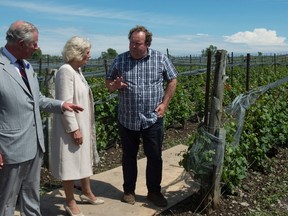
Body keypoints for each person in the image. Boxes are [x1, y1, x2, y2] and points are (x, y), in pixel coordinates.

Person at [0, 20, 84, 216]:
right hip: (10, 149)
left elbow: (36, 99)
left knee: (31, 195)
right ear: (21, 44)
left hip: (34, 144)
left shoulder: (27, 67)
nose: (37, 47)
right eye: (34, 43)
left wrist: (61, 105)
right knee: (6, 200)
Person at [105, 25, 178, 207]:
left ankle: (154, 192)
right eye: (131, 43)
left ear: (147, 43)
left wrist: (164, 104)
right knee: (129, 156)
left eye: (137, 43)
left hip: (152, 118)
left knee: (154, 156)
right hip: (127, 118)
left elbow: (173, 79)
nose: (133, 47)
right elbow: (108, 83)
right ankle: (129, 191)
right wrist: (116, 85)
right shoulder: (120, 60)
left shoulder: (160, 58)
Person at [50, 36, 104, 216]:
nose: (89, 56)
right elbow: (65, 104)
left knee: (83, 160)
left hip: (82, 124)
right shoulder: (65, 71)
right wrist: (74, 129)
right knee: (70, 164)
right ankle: (70, 202)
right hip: (71, 128)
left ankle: (87, 193)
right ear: (77, 53)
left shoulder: (77, 70)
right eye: (87, 53)